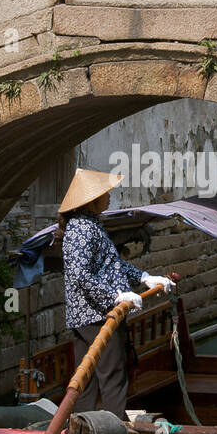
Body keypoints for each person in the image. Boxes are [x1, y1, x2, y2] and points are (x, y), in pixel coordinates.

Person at [58, 168, 173, 418]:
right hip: (96, 313)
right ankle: (113, 429)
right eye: (105, 194)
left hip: (93, 312)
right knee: (111, 375)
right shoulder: (80, 229)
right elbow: (80, 275)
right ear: (91, 199)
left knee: (87, 375)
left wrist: (144, 278)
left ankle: (84, 425)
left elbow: (113, 265)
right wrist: (113, 297)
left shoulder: (91, 225)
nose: (110, 197)